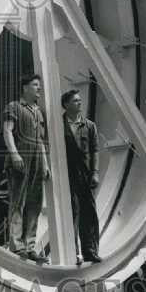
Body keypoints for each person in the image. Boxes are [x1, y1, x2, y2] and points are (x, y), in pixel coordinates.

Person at [2, 74, 50, 262]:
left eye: (40, 85)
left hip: (37, 160)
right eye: (35, 85)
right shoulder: (14, 107)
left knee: (34, 203)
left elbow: (41, 141)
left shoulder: (38, 112)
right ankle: (16, 245)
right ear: (25, 87)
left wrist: (45, 163)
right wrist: (14, 154)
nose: (39, 89)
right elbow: (7, 131)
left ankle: (30, 246)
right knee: (18, 202)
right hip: (21, 158)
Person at [61, 88, 101, 263]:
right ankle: (74, 253)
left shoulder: (89, 126)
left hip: (85, 175)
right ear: (66, 104)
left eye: (79, 100)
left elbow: (95, 151)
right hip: (67, 174)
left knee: (89, 213)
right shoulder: (59, 125)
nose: (79, 103)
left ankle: (90, 251)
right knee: (72, 213)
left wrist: (95, 173)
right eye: (75, 100)